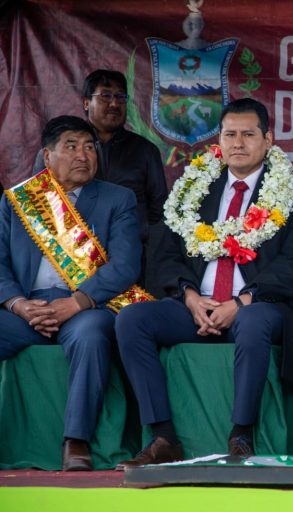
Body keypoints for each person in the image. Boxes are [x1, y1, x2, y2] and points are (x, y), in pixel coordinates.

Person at [115, 98, 293, 468]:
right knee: (132, 320)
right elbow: (163, 256)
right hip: (196, 306)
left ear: (268, 139)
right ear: (218, 141)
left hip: (259, 307)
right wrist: (190, 296)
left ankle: (241, 435)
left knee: (253, 322)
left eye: (248, 134)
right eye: (230, 134)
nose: (238, 143)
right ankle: (163, 437)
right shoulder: (194, 190)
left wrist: (240, 303)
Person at [0, 115, 142, 471]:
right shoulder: (18, 201)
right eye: (71, 146)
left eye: (89, 147)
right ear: (47, 157)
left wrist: (76, 302)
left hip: (85, 307)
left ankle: (75, 441)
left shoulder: (118, 199)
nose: (83, 155)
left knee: (93, 336)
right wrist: (18, 304)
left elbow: (125, 267)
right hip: (26, 309)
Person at [33, 70, 168, 296]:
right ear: (86, 103)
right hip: (68, 261)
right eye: (105, 96)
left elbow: (159, 211)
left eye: (120, 98)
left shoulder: (145, 151)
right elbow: (40, 202)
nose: (114, 104)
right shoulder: (55, 153)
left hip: (130, 258)